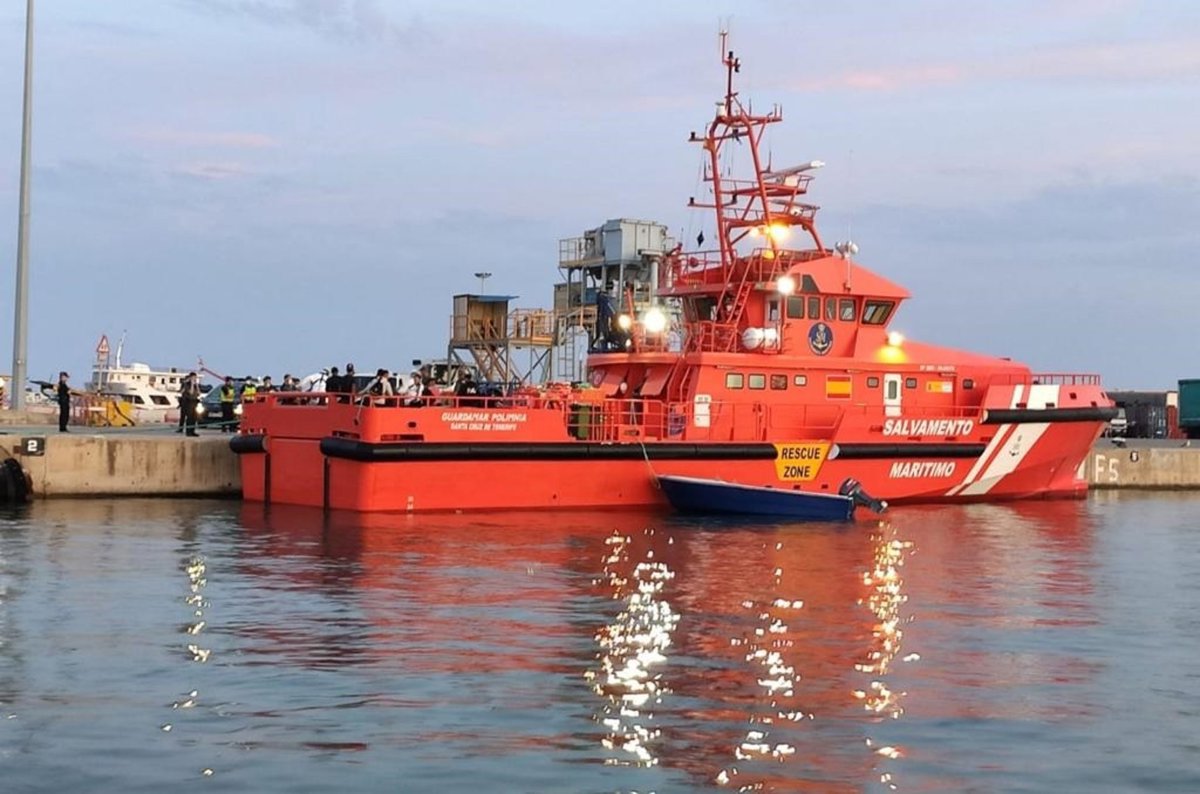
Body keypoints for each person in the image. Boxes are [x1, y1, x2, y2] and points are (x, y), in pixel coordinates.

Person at [179, 372, 201, 437]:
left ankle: (192, 431)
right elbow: (191, 392)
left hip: (194, 402)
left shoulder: (196, 385)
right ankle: (188, 432)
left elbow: (199, 393)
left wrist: (196, 385)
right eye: (193, 377)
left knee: (194, 418)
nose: (195, 379)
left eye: (195, 377)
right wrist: (191, 384)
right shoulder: (187, 384)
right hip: (189, 402)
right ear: (190, 377)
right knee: (189, 418)